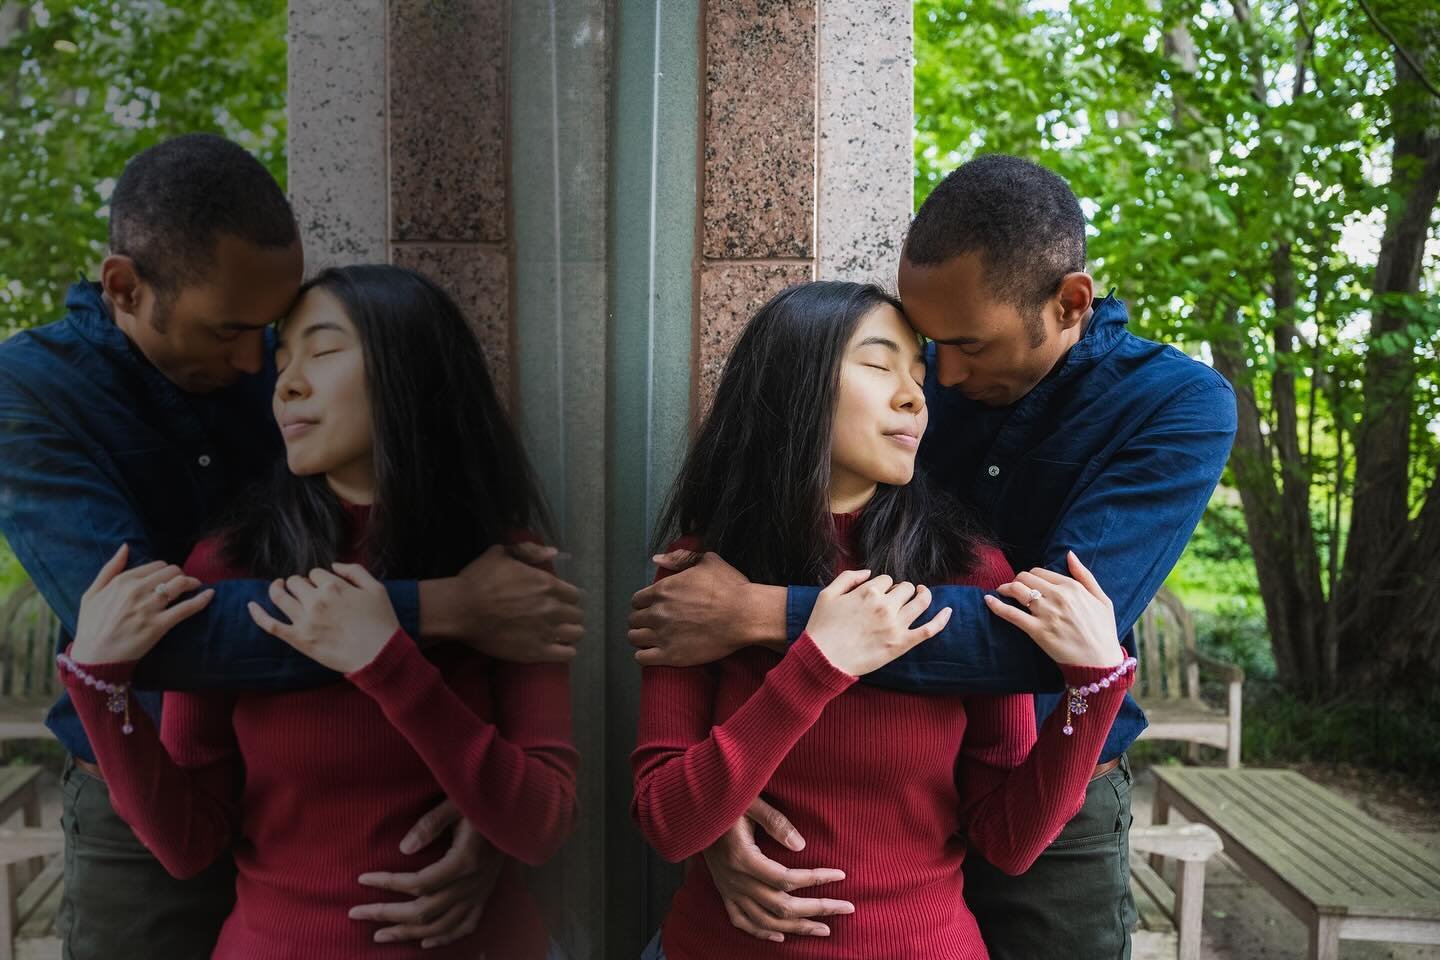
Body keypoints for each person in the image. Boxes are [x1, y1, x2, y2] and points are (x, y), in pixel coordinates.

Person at [628, 155, 1237, 957]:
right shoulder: (715, 561)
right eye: (912, 355)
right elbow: (673, 806)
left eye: (963, 350)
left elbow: (1027, 641)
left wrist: (768, 618)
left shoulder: (1174, 407)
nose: (936, 384)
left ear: (1069, 303)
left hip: (1053, 790)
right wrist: (723, 802)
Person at [0, 135, 584, 958]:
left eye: (286, 340)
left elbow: (536, 814)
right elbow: (175, 641)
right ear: (125, 288)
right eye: (237, 334)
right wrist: (437, 614)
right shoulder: (32, 394)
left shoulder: (496, 559)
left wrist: (482, 815)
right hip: (137, 798)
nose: (262, 370)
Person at [632, 280, 1136, 958]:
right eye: (879, 365)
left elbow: (1007, 842)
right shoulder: (704, 576)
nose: (915, 396)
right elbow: (667, 821)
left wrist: (1095, 688)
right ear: (795, 384)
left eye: (919, 374)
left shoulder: (969, 572)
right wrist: (816, 666)